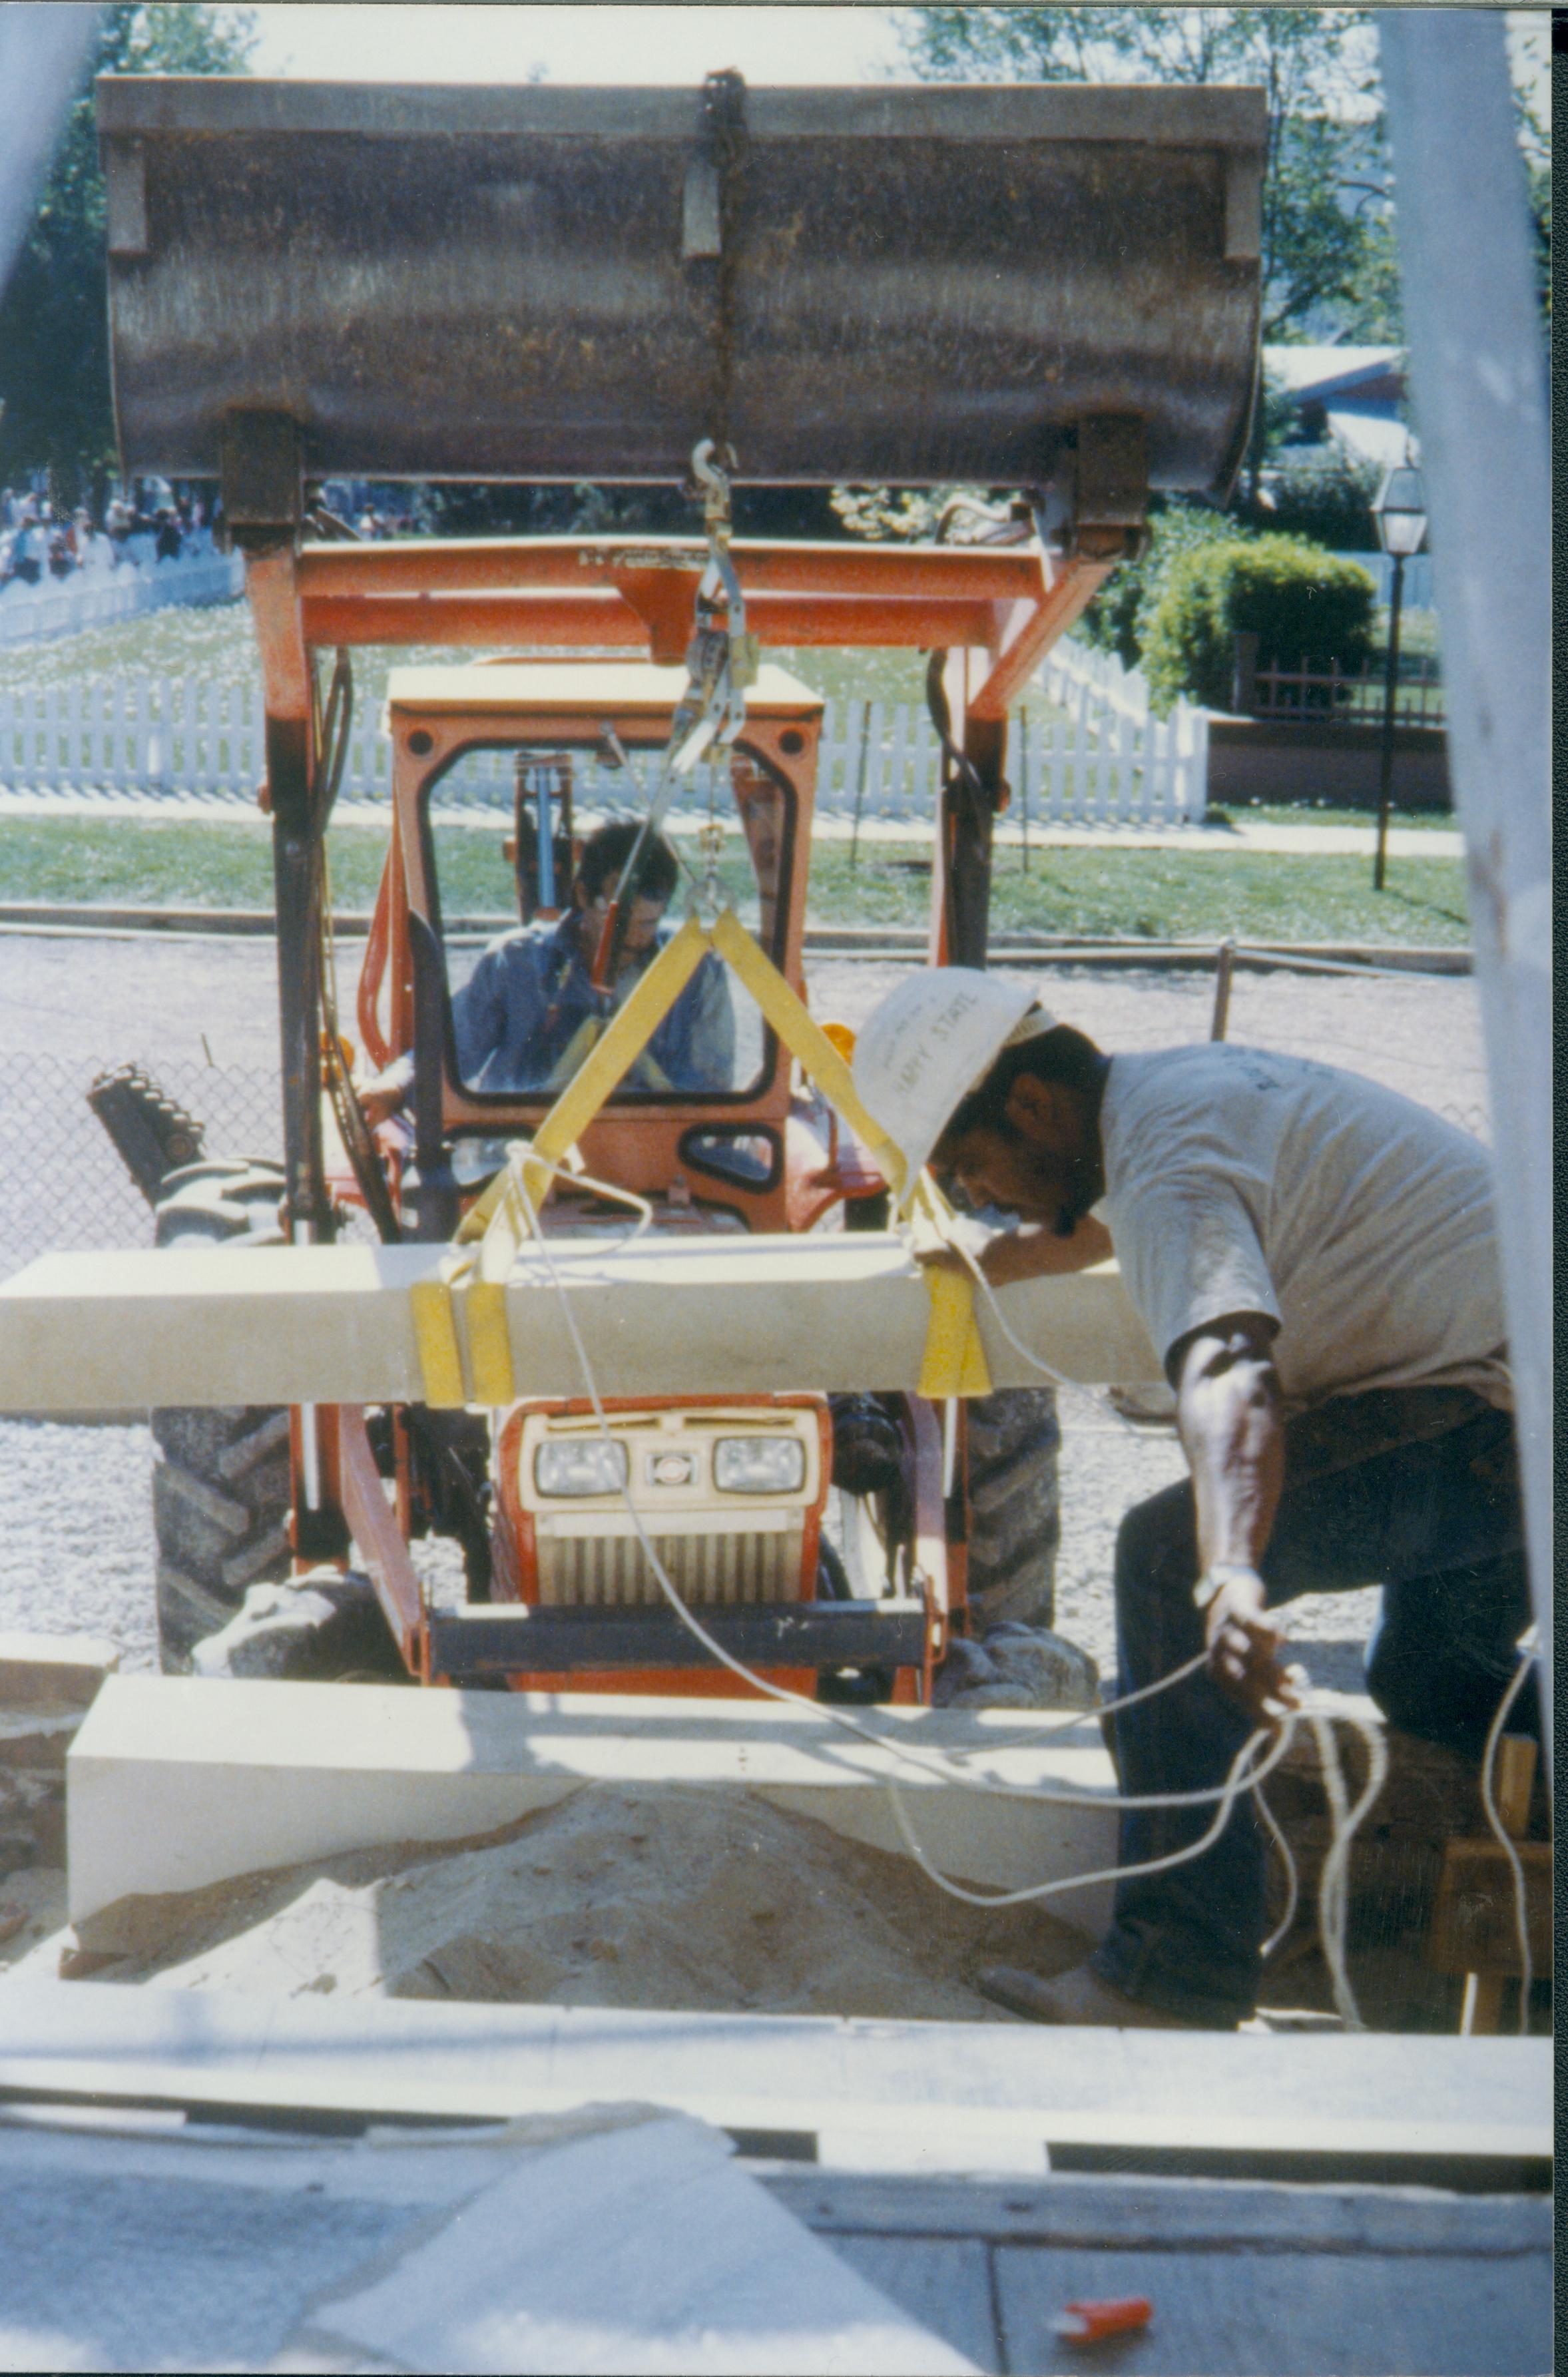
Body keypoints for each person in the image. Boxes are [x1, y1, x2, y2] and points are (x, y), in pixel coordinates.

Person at [851, 968, 1531, 2030]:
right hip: (1515, 1392)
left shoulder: (1164, 1166)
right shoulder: (1172, 1094)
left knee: (1163, 1553)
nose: (983, 1194)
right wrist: (1008, 1254)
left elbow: (1227, 1365)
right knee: (1436, 1674)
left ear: (1032, 1106)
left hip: (1495, 1414)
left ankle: (1172, 1975)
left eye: (972, 1168)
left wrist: (1230, 1573)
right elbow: (1115, 1214)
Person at [361, 818, 734, 1119]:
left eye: (648, 925)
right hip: (519, 1153)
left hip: (650, 1156)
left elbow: (711, 1088)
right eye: (617, 922)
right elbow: (455, 1046)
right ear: (583, 896)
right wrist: (394, 1086)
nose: (631, 941)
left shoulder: (696, 974)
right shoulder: (515, 961)